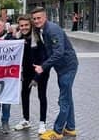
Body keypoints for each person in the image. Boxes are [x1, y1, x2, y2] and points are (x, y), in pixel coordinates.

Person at [31, 7, 78, 140]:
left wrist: (43, 67)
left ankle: (57, 131)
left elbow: (59, 52)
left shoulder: (52, 29)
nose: (36, 21)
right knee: (67, 97)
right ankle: (70, 128)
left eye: (39, 18)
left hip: (67, 67)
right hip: (62, 68)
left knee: (63, 99)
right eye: (34, 19)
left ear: (45, 17)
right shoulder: (42, 29)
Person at [13, 15, 50, 135]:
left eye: (26, 25)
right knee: (24, 94)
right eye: (21, 25)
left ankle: (42, 123)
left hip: (41, 71)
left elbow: (44, 58)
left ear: (31, 25)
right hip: (27, 72)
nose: (23, 28)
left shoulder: (38, 38)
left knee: (41, 96)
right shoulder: (18, 38)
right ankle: (26, 119)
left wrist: (36, 78)